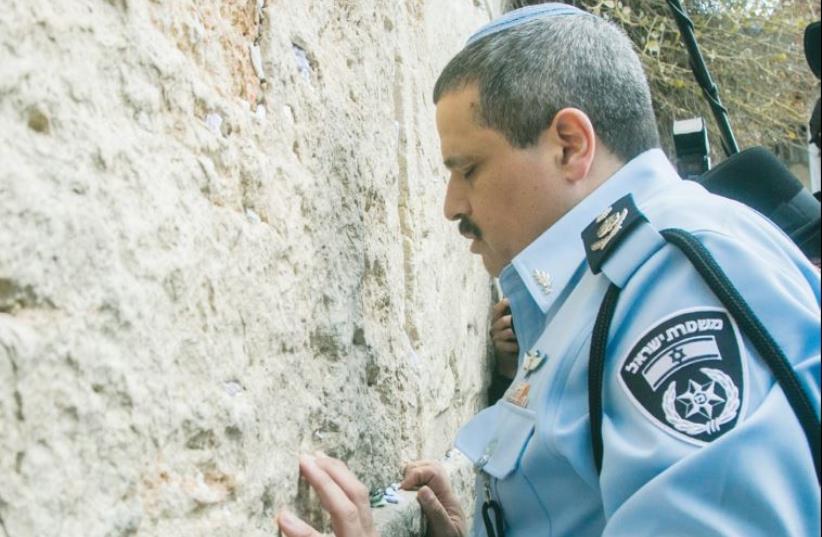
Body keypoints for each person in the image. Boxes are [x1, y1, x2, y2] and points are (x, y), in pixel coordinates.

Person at [277, 4, 821, 536]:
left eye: (468, 169)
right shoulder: (609, 281)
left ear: (570, 146)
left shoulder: (673, 280)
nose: (452, 205)